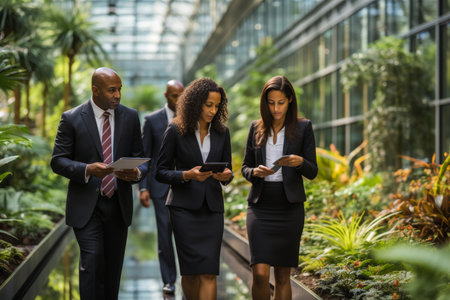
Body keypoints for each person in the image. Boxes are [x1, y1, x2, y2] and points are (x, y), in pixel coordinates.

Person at [51, 67, 147, 300]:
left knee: (113, 269)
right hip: (86, 206)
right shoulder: (72, 118)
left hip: (118, 205)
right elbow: (58, 161)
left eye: (120, 89)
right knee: (91, 262)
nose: (117, 95)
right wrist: (86, 169)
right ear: (95, 90)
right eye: (111, 90)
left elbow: (142, 160)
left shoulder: (130, 117)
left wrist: (135, 174)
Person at [155, 78, 233, 300]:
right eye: (208, 104)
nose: (213, 110)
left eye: (217, 106)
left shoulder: (222, 132)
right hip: (183, 209)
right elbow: (160, 171)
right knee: (189, 273)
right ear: (195, 102)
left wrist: (226, 176)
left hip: (212, 210)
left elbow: (228, 170)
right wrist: (187, 175)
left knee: (209, 272)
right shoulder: (175, 130)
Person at [241, 75, 318, 300]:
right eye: (271, 102)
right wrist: (254, 172)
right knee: (260, 273)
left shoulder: (304, 127)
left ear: (290, 100)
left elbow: (312, 171)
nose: (275, 108)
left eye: (280, 102)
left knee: (283, 275)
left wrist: (300, 162)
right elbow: (245, 166)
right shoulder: (255, 127)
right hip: (260, 206)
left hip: (289, 207)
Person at [139, 79, 184, 295]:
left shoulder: (190, 119)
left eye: (182, 95)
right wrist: (142, 188)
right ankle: (169, 280)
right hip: (159, 188)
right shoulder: (151, 120)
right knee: (165, 235)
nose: (179, 99)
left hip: (185, 185)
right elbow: (145, 156)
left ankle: (189, 277)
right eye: (175, 95)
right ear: (166, 95)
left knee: (185, 234)